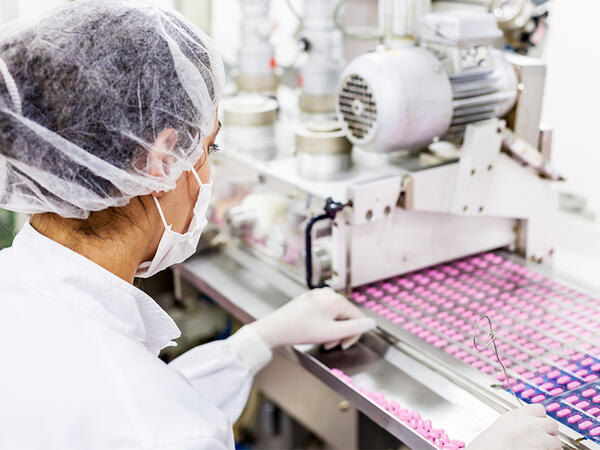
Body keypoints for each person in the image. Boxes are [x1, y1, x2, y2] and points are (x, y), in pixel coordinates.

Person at [0, 1, 560, 449]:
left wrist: (254, 341)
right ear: (160, 159)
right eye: (207, 145)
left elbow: (133, 399)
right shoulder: (158, 426)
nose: (208, 168)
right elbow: (154, 422)